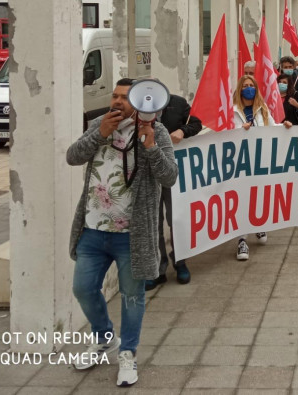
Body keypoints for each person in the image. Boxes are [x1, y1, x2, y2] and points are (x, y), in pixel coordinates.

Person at [65, 78, 178, 387]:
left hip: (132, 236)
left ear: (142, 101)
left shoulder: (158, 132)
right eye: (114, 96)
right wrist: (98, 136)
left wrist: (150, 146)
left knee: (132, 297)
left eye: (124, 98)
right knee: (84, 288)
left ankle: (128, 352)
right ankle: (104, 340)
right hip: (92, 229)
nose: (116, 102)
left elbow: (169, 177)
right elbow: (73, 156)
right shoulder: (99, 124)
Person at [231, 75, 293, 260]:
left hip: (260, 161)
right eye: (245, 86)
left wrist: (285, 126)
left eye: (251, 85)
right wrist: (240, 130)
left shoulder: (262, 108)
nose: (248, 88)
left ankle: (258, 225)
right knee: (242, 199)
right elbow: (224, 133)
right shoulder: (232, 111)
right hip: (241, 163)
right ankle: (242, 240)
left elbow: (272, 127)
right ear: (240, 89)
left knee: (258, 196)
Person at [146, 94, 202, 291]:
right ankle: (157, 269)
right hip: (146, 174)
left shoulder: (177, 104)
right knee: (153, 222)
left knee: (175, 219)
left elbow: (196, 123)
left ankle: (180, 262)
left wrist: (182, 131)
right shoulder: (135, 105)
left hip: (171, 171)